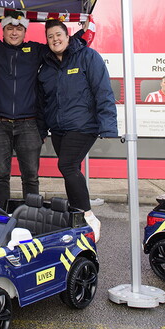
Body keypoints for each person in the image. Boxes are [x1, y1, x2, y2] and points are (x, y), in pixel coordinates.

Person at [36, 19, 118, 213]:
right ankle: (76, 213)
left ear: (67, 36)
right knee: (70, 170)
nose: (55, 39)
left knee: (67, 165)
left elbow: (103, 90)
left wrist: (108, 125)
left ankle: (86, 214)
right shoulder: (46, 67)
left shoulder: (88, 56)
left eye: (58, 35)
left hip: (83, 126)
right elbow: (42, 102)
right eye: (50, 36)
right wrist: (41, 130)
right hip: (58, 129)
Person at [0, 11, 45, 211]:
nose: (14, 33)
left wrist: (83, 34)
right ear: (3, 30)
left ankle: (32, 214)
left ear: (25, 31)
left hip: (29, 123)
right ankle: (2, 213)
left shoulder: (36, 50)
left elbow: (60, 46)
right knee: (0, 174)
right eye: (10, 28)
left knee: (31, 176)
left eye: (19, 29)